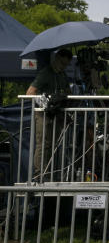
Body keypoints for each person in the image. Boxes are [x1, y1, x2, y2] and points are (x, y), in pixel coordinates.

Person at [27, 48, 73, 179]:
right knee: (43, 143)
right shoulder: (45, 73)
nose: (64, 67)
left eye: (66, 65)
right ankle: (39, 174)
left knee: (53, 144)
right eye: (62, 63)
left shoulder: (62, 75)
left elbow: (68, 92)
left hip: (56, 112)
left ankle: (48, 172)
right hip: (43, 113)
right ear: (56, 59)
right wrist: (44, 102)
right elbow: (30, 92)